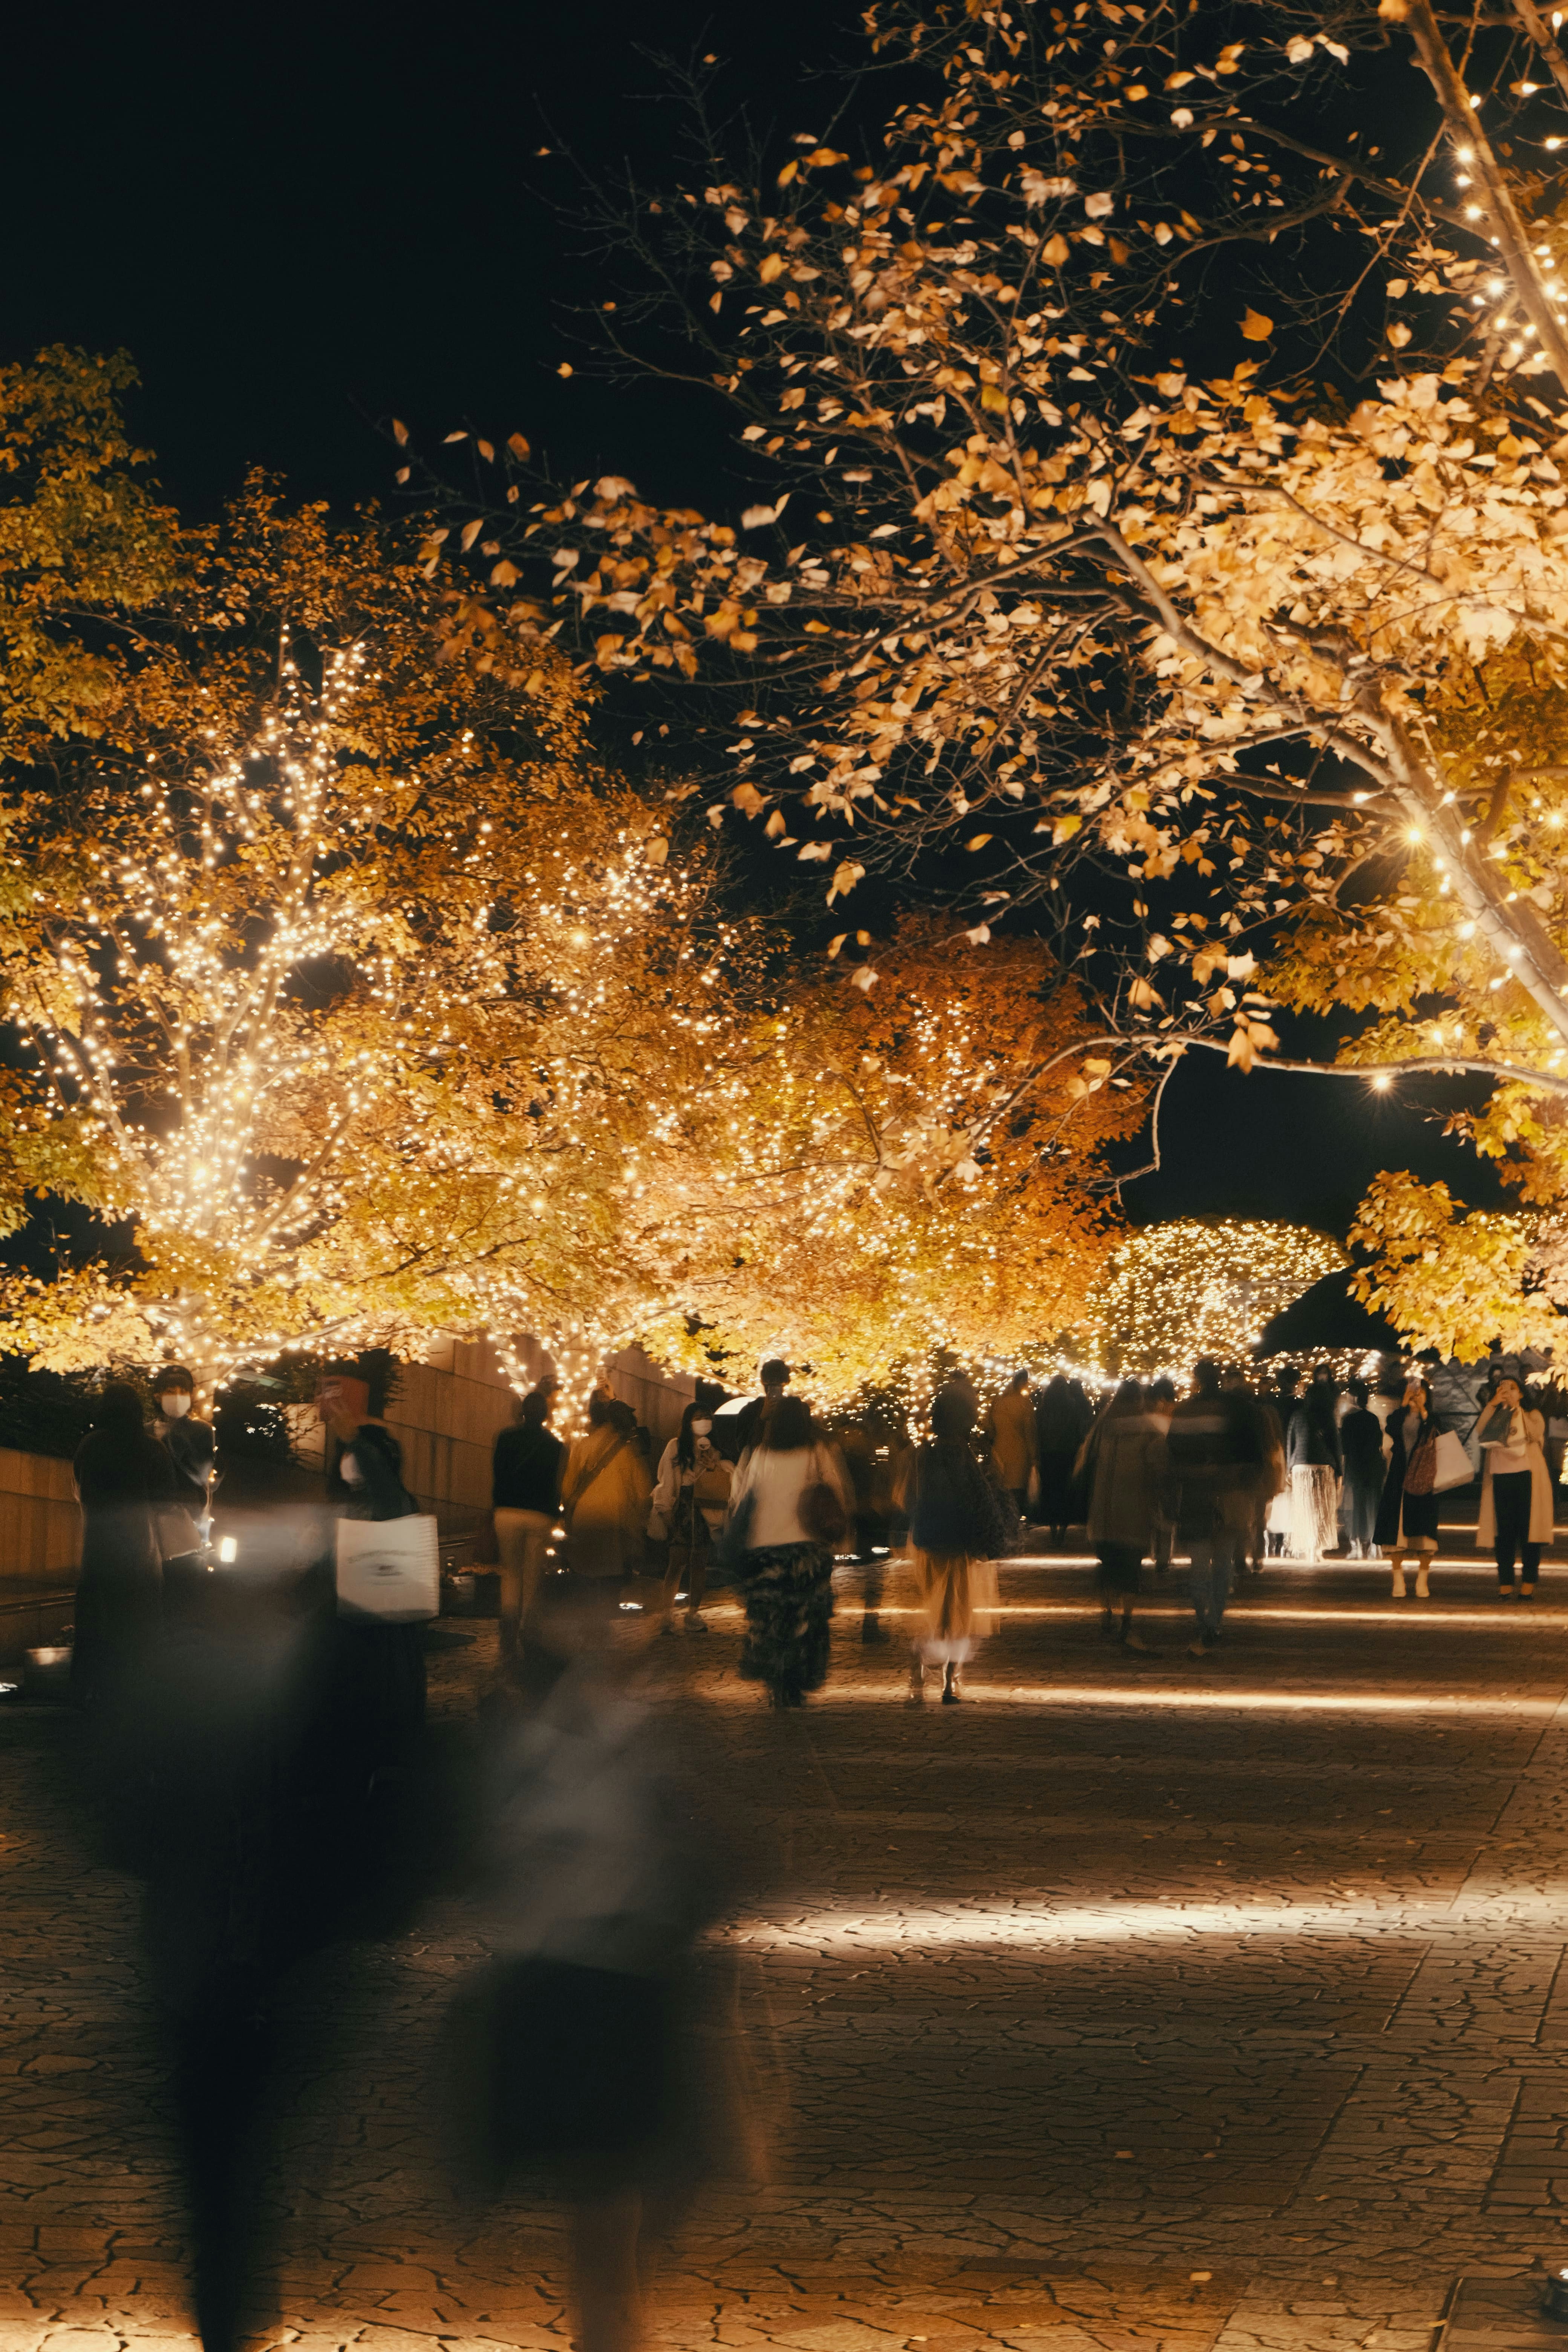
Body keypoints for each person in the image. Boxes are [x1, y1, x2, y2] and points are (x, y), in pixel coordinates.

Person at [457, 1573, 732, 2352]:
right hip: (578, 1987)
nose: (605, 1631)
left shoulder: (641, 1729)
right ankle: (609, 2332)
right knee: (606, 2210)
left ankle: (611, 2326)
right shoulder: (537, 1734)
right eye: (583, 1617)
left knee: (625, 2206)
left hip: (608, 1983)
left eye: (621, 1615)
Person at [319, 1369, 428, 1761]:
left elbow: (382, 1482)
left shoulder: (387, 1491)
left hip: (378, 1610)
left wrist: (354, 1438)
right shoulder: (352, 1496)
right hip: (355, 1610)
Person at [727, 1396, 851, 1707]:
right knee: (805, 1619)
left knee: (771, 1618)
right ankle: (797, 1679)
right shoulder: (817, 1453)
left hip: (765, 1549)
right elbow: (836, 1494)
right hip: (807, 1552)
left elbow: (744, 1498)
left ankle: (774, 1678)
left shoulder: (761, 1454)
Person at [894, 1387, 1010, 1704]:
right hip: (961, 1545)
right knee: (959, 1613)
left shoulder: (921, 1456)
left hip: (926, 1543)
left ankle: (916, 1674)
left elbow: (905, 1499)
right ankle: (950, 1683)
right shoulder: (970, 1458)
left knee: (930, 1609)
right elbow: (986, 1497)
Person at [72, 1381, 183, 1709]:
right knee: (138, 1619)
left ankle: (86, 1690)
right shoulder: (152, 1449)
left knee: (96, 1619)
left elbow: (79, 1489)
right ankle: (136, 1689)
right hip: (140, 1546)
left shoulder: (89, 1446)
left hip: (98, 1545)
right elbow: (167, 1501)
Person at [1166, 1357, 1261, 1658]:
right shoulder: (1239, 1411)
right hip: (1230, 1497)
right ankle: (1214, 1621)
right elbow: (1254, 1457)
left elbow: (1173, 1457)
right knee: (1223, 1567)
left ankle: (1203, 1621)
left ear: (1196, 1379)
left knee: (1199, 1567)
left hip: (1196, 1497)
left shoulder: (1183, 1413)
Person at [1074, 1378, 1166, 1652]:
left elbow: (1085, 1467)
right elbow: (1158, 1467)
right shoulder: (1149, 1429)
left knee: (1108, 1565)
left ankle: (1108, 1612)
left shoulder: (1103, 1427)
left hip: (1103, 1511)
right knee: (1131, 1568)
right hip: (1134, 1510)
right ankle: (1127, 1620)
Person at [493, 1389, 565, 1665]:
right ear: (546, 1415)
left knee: (510, 1572)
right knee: (532, 1574)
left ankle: (508, 1629)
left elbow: (498, 1475)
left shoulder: (506, 1438)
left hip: (508, 1511)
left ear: (523, 1411)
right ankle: (528, 1628)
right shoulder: (555, 1445)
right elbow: (555, 1485)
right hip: (539, 1514)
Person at [651, 1400, 732, 1634]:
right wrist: (665, 1511)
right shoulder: (676, 1447)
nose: (703, 1421)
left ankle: (693, 1613)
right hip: (684, 1506)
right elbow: (666, 1480)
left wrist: (714, 1466)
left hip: (706, 1508)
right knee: (677, 1561)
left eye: (707, 1417)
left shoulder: (714, 1450)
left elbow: (720, 1484)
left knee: (699, 1562)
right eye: (698, 1417)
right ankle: (666, 1615)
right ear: (688, 1422)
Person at [562, 1390, 654, 1588]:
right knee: (609, 1582)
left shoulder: (583, 1446)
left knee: (586, 1579)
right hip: (614, 1523)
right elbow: (643, 1492)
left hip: (584, 1519)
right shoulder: (629, 1451)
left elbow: (568, 1487)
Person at [1477, 1375, 1553, 1599]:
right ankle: (1505, 1582)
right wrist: (1493, 1405)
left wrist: (1516, 1409)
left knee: (1529, 1531)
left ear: (1521, 1393)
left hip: (1528, 1477)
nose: (1507, 1392)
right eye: (1502, 1389)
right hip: (1500, 1477)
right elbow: (1481, 1431)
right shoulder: (1495, 1414)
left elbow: (1535, 1433)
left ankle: (1529, 1581)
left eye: (1512, 1388)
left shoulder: (1532, 1414)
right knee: (1504, 1533)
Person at [1375, 1375, 1441, 1599]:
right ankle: (1398, 1580)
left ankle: (1423, 1581)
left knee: (1424, 1530)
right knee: (1397, 1530)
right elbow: (1391, 1428)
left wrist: (1423, 1411)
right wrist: (1405, 1404)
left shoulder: (1432, 1418)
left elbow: (1438, 1432)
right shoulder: (1400, 1417)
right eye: (1412, 1392)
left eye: (1420, 1392)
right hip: (1400, 1477)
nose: (1416, 1396)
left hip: (1425, 1479)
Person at [1286, 1367, 1343, 1562]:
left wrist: (1289, 1468)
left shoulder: (1297, 1416)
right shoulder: (1327, 1416)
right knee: (1322, 1508)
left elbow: (1290, 1443)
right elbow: (1335, 1445)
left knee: (1305, 1507)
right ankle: (1318, 1548)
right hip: (1323, 1466)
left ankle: (1308, 1545)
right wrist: (1340, 1472)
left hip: (1300, 1467)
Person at [153, 1366, 217, 1531]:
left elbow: (201, 1473)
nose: (177, 1397)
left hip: (186, 1516)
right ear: (158, 1396)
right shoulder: (145, 1430)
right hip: (150, 1515)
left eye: (183, 1392)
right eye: (170, 1391)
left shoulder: (202, 1430)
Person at [1035, 1374, 1092, 1547]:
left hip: (1048, 1454)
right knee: (1066, 1492)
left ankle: (1052, 1528)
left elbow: (1038, 1431)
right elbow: (1079, 1430)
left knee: (1051, 1491)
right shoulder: (1072, 1407)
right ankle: (1062, 1531)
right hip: (1068, 1453)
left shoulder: (1044, 1409)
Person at [1339, 1379, 1386, 1561]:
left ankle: (1357, 1545)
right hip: (1373, 1467)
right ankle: (1375, 1546)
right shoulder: (1373, 1419)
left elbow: (1344, 1447)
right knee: (1373, 1507)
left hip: (1355, 1468)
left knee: (1356, 1508)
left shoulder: (1349, 1420)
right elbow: (1378, 1443)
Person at [983, 1371, 1037, 1519]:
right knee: (1017, 1490)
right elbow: (1029, 1433)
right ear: (1023, 1382)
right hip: (1019, 1452)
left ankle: (1004, 1520)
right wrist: (1034, 1456)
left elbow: (989, 1428)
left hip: (1000, 1452)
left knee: (1003, 1489)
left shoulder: (998, 1403)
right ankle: (1016, 1521)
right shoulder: (1024, 1405)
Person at [1145, 1375, 1178, 1571]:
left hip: (1154, 1467)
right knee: (1168, 1512)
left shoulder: (1150, 1416)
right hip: (1171, 1468)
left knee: (1155, 1511)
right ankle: (1164, 1554)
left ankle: (1158, 1552)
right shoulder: (1177, 1414)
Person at [734, 1359, 790, 1457]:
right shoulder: (750, 1410)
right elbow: (743, 1447)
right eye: (769, 1384)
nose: (773, 1388)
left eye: (777, 1384)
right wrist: (763, 1418)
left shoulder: (794, 1408)